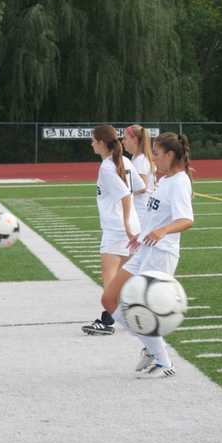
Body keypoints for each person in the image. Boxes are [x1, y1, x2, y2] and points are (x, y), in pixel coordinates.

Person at [98, 132, 194, 377]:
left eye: (158, 154)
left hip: (161, 254)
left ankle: (164, 362)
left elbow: (186, 219)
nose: (155, 160)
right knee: (109, 300)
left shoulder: (180, 181)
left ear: (171, 155)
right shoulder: (164, 180)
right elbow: (155, 217)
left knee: (142, 308)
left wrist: (162, 231)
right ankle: (151, 347)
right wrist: (138, 237)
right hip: (144, 248)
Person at [82, 124, 144, 336]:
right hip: (129, 226)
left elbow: (126, 195)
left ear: (101, 142)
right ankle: (135, 313)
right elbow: (140, 187)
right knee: (126, 277)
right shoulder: (125, 161)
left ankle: (108, 321)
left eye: (93, 140)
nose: (91, 144)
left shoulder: (107, 167)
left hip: (117, 229)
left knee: (110, 278)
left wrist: (126, 224)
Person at [122, 124, 156, 227]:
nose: (122, 141)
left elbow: (142, 187)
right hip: (140, 209)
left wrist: (122, 193)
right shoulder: (136, 158)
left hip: (141, 210)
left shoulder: (140, 160)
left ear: (135, 140)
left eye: (125, 138)